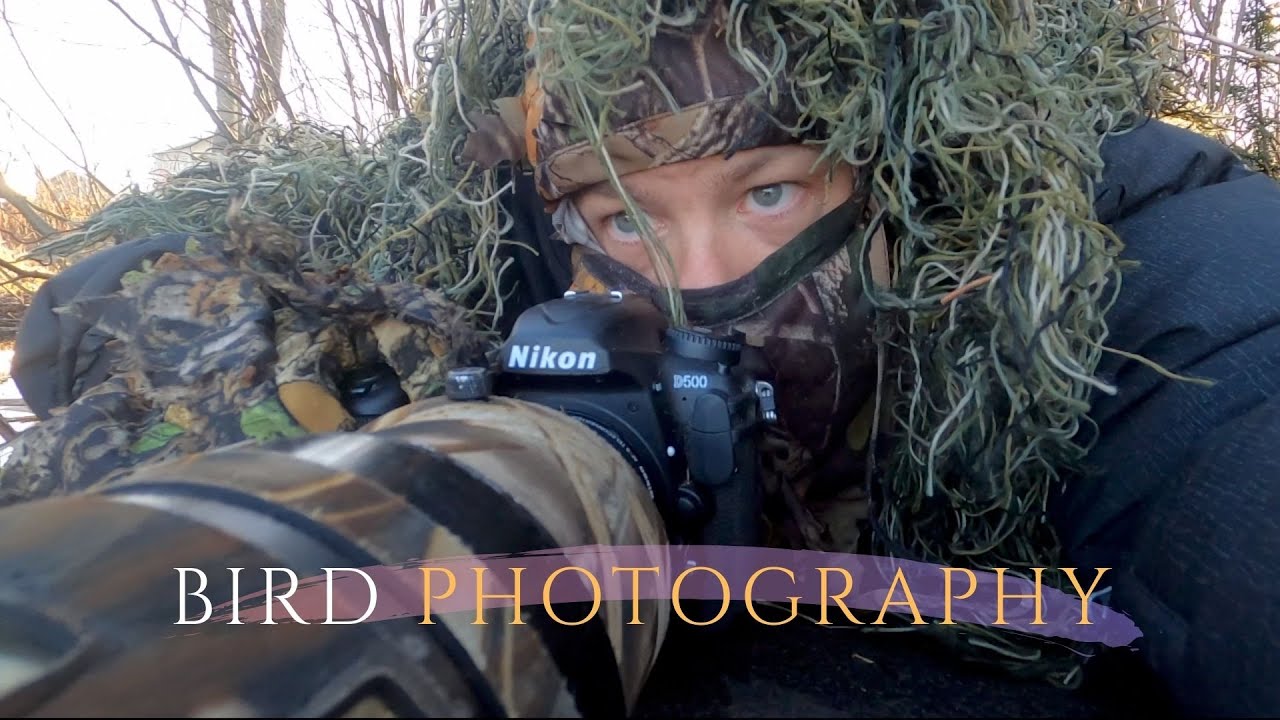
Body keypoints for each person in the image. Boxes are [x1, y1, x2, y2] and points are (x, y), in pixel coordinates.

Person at [3, 0, 1278, 716]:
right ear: (555, 228)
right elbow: (157, 278)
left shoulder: (1110, 266)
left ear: (902, 180)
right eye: (623, 216)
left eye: (771, 192)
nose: (702, 281)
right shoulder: (467, 247)